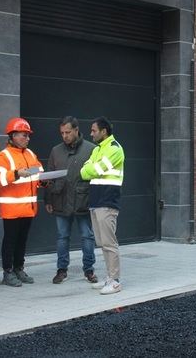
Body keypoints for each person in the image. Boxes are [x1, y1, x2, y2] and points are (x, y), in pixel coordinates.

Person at [44, 116, 98, 285]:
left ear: (76, 130)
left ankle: (89, 270)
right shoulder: (56, 150)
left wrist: (95, 201)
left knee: (87, 236)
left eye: (68, 132)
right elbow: (48, 178)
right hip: (60, 200)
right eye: (62, 133)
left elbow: (97, 177)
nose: (65, 136)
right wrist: (48, 200)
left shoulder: (92, 149)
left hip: (83, 200)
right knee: (62, 237)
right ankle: (61, 270)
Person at [0, 117, 43, 287]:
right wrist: (16, 174)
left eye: (28, 136)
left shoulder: (30, 154)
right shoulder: (3, 156)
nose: (27, 138)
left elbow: (38, 172)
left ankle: (19, 268)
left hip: (28, 207)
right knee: (10, 241)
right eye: (23, 135)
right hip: (12, 209)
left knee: (22, 240)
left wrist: (43, 180)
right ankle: (8, 272)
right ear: (13, 136)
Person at [80, 116, 125, 295]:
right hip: (96, 201)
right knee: (101, 242)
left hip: (107, 200)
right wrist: (90, 169)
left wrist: (90, 169)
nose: (91, 134)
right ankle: (109, 277)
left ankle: (115, 281)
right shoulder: (98, 149)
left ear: (103, 131)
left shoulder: (115, 149)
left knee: (109, 242)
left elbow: (94, 170)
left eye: (93, 131)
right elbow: (84, 172)